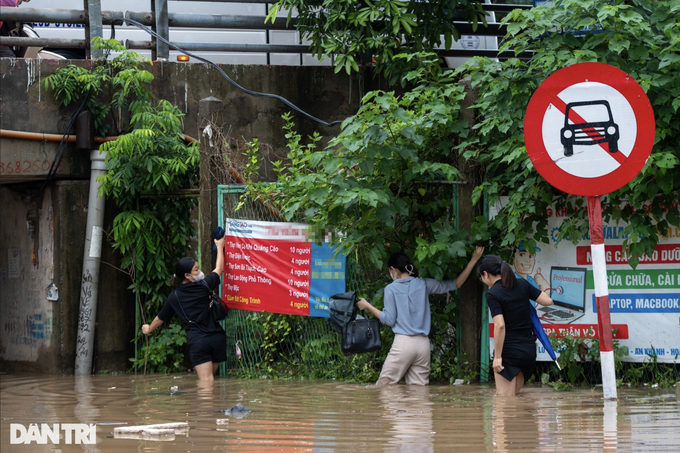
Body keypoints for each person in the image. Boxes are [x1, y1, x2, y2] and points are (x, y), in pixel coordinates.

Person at [356, 247, 484, 386]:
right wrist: (474, 260)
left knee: (383, 387)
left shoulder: (391, 289)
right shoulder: (423, 283)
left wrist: (368, 306)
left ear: (393, 269)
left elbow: (389, 319)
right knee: (419, 395)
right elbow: (456, 284)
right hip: (423, 345)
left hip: (403, 344)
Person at [142, 235, 226, 380]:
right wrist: (220, 246)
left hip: (198, 342)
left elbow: (161, 317)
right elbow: (219, 268)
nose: (199, 272)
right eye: (196, 270)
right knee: (212, 382)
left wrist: (149, 329)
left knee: (206, 384)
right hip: (217, 338)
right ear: (187, 275)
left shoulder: (174, 297)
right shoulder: (205, 285)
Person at [478, 254, 553, 396]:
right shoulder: (523, 284)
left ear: (486, 274)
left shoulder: (492, 294)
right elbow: (548, 301)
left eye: (481, 277)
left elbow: (500, 325)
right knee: (513, 402)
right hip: (528, 352)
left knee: (503, 402)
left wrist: (498, 357)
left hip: (509, 353)